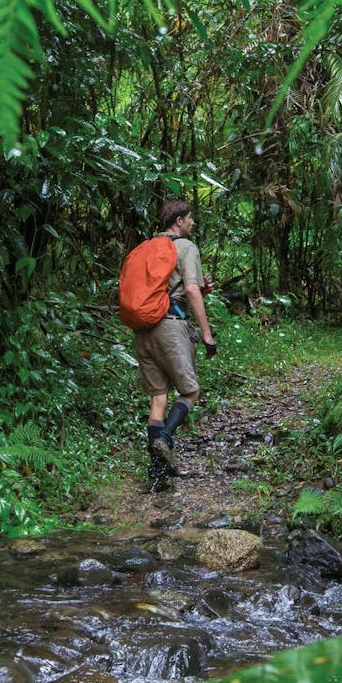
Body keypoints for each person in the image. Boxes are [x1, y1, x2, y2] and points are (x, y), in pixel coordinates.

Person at [134, 198, 216, 490]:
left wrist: (197, 288)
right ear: (179, 220)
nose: (193, 223)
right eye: (190, 218)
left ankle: (157, 476)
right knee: (190, 392)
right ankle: (164, 439)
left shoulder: (147, 248)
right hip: (170, 325)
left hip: (144, 328)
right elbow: (191, 291)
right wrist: (207, 333)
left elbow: (169, 287)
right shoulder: (185, 247)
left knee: (158, 397)